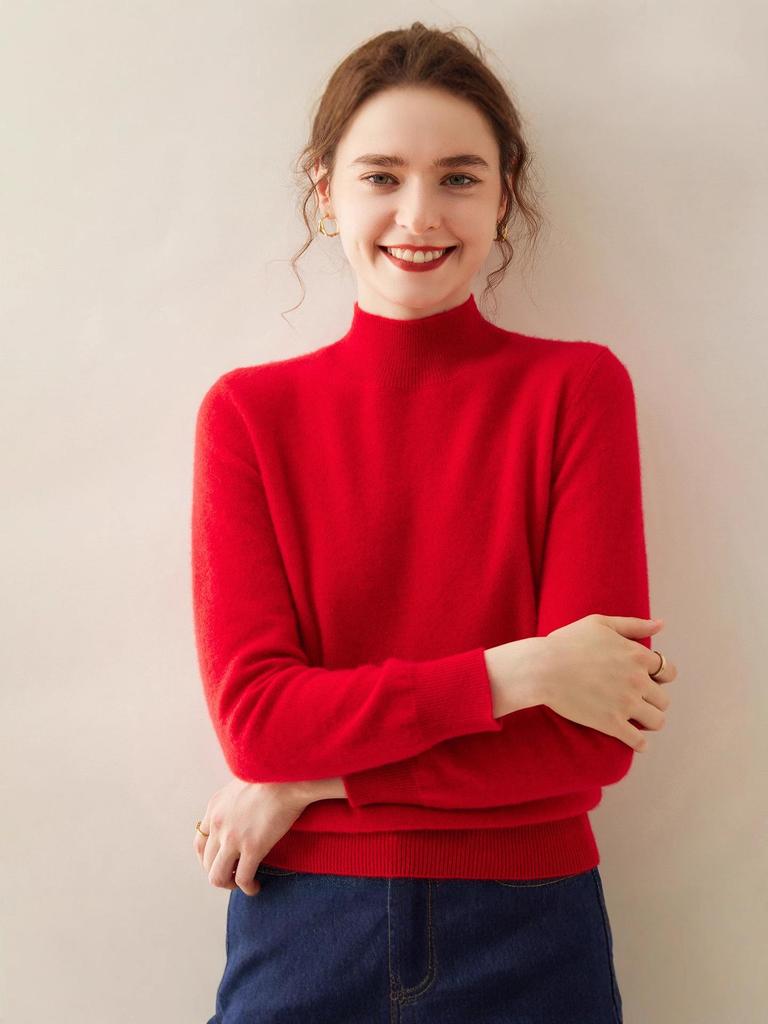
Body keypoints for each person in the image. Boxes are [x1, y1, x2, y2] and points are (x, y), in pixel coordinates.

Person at [190, 21, 678, 1024]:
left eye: (459, 177)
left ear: (504, 194)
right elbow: (260, 722)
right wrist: (522, 671)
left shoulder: (576, 391)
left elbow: (592, 743)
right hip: (305, 925)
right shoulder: (249, 415)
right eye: (382, 176)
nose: (419, 214)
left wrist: (310, 785)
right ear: (327, 192)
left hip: (531, 922)